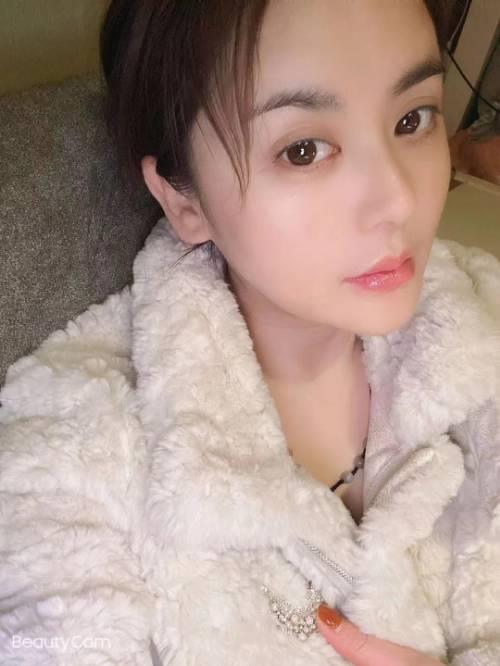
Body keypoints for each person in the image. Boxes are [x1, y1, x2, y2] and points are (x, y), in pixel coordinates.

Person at [1, 1, 499, 664]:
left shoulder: (485, 307)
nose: (400, 200)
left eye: (412, 119)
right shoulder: (69, 455)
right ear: (185, 201)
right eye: (303, 150)